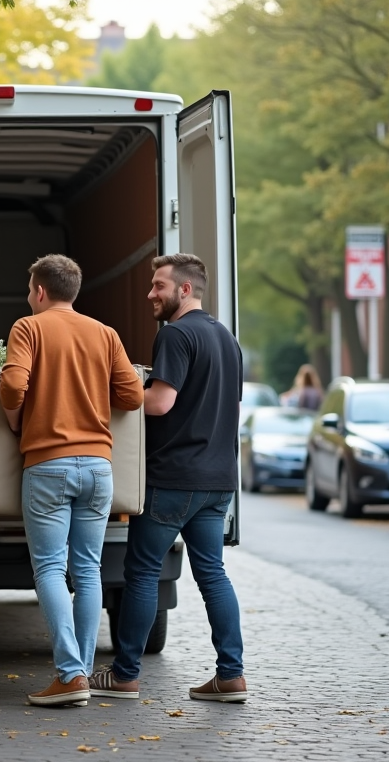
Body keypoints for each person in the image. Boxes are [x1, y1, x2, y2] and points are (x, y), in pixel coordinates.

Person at [89, 253, 248, 703]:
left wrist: (112, 394)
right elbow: (232, 411)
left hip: (173, 478)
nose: (150, 294)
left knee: (141, 573)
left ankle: (124, 675)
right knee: (213, 574)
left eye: (158, 285)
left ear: (184, 289)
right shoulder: (226, 339)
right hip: (218, 480)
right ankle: (231, 675)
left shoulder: (176, 335)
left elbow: (160, 403)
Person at [0, 255, 144, 707]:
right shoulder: (105, 334)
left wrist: (16, 421)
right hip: (99, 467)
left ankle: (70, 676)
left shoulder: (29, 327)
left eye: (30, 289)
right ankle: (78, 672)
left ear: (40, 291)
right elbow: (133, 396)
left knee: (49, 568)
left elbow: (11, 386)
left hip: (48, 465)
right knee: (87, 569)